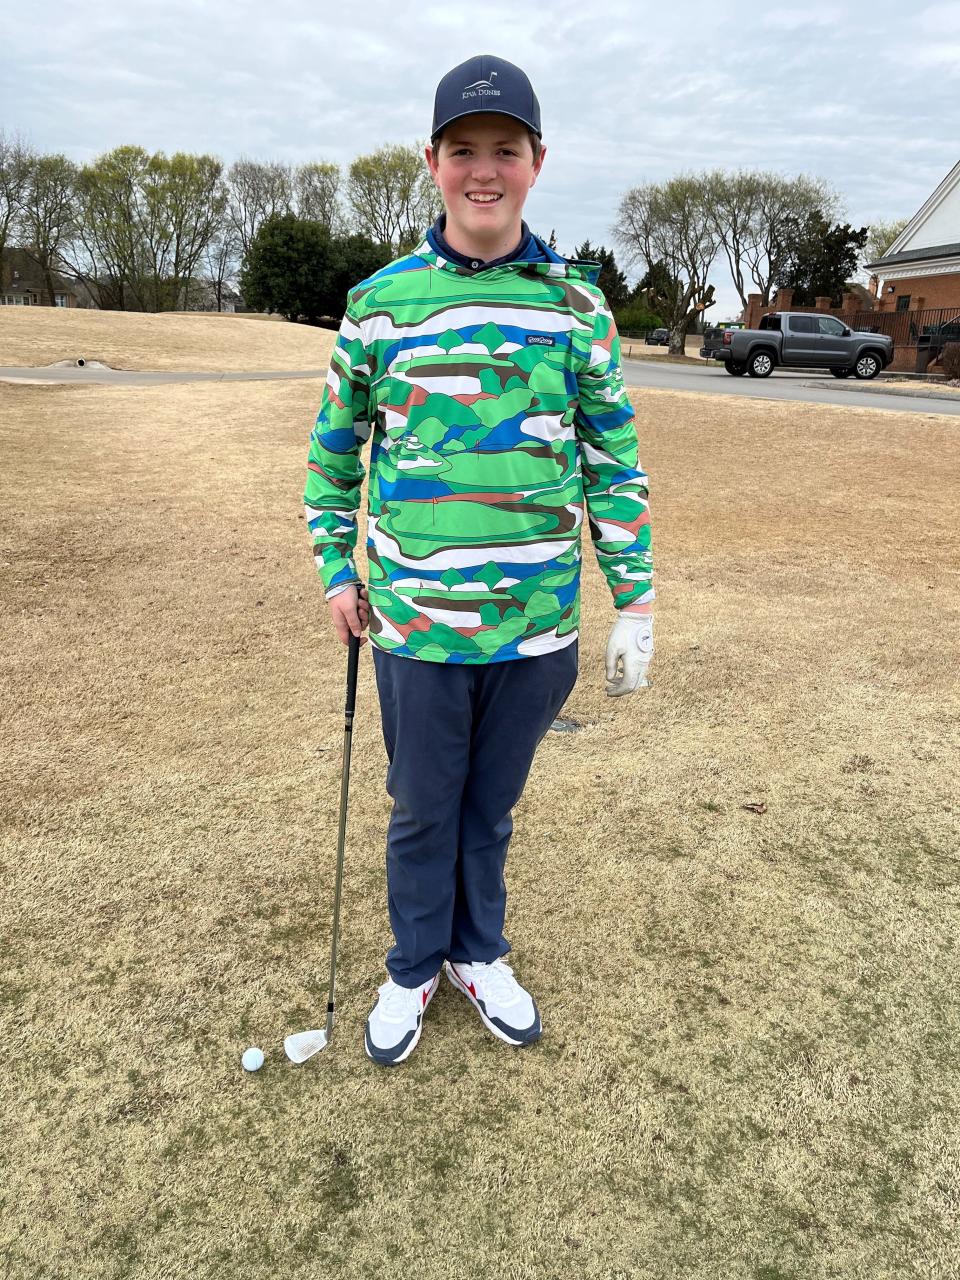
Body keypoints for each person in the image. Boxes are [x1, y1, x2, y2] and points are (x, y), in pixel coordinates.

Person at [304, 53, 654, 1067]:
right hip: (412, 624)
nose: (484, 168)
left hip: (537, 627)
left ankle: (477, 950)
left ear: (537, 162)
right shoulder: (379, 303)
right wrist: (337, 569)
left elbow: (612, 456)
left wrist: (634, 597)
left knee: (489, 809)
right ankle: (414, 963)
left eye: (506, 148)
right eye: (465, 149)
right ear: (433, 162)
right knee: (421, 807)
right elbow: (334, 459)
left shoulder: (578, 305)